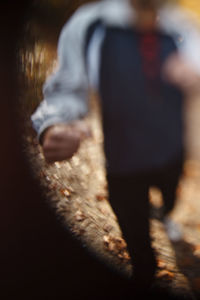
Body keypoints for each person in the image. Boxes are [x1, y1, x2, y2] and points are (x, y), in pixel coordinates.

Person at [31, 0, 200, 292]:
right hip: (124, 159)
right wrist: (54, 122)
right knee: (132, 221)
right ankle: (144, 268)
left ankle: (167, 214)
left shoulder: (182, 25)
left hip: (171, 149)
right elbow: (68, 88)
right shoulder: (90, 25)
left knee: (170, 196)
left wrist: (195, 77)